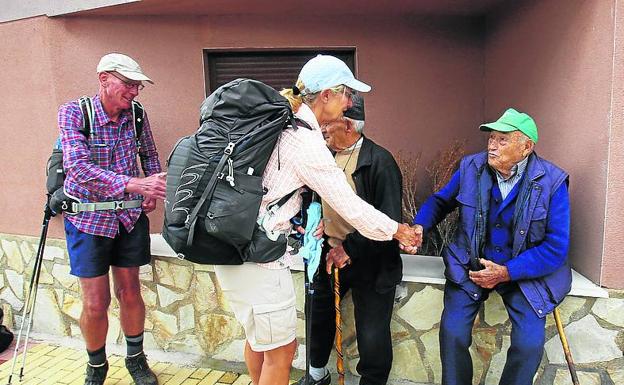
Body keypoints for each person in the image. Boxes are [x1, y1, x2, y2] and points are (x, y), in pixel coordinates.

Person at [212, 55, 419, 385]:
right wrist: (398, 231)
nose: (349, 103)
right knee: (281, 352)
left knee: (259, 343)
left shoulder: (281, 124)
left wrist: (306, 223)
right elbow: (351, 206)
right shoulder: (305, 141)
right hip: (260, 259)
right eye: (346, 94)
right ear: (326, 95)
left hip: (231, 246)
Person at [411, 108, 571, 385]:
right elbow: (440, 202)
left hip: (522, 273)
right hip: (472, 264)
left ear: (526, 147)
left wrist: (507, 272)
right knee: (453, 334)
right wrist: (419, 226)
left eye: (502, 140)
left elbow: (556, 246)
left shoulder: (551, 182)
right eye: (491, 139)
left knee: (529, 345)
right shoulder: (470, 168)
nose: (492, 146)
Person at [58, 53, 166, 385]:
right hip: (87, 221)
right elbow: (77, 168)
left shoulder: (136, 114)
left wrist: (151, 186)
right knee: (95, 301)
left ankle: (136, 359)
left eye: (138, 86)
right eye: (129, 84)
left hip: (129, 218)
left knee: (131, 291)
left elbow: (148, 152)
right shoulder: (73, 112)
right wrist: (134, 184)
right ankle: (96, 366)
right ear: (104, 78)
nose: (135, 92)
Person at [294, 95, 403, 385]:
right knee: (318, 317)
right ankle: (317, 375)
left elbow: (388, 220)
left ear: (349, 125)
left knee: (372, 333)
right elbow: (311, 197)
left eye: (328, 123)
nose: (323, 128)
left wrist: (349, 249)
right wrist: (312, 223)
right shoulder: (323, 156)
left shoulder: (380, 161)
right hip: (329, 254)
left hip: (373, 260)